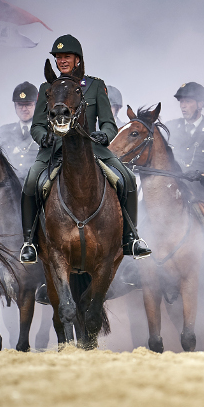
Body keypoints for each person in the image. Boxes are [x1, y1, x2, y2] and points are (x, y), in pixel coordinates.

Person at [18, 34, 151, 263]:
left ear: (77, 59)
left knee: (127, 178)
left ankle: (131, 238)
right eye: (58, 57)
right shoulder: (47, 87)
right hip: (54, 150)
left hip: (91, 148)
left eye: (66, 56)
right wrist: (43, 138)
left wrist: (105, 135)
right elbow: (38, 125)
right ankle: (29, 242)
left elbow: (108, 122)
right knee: (31, 182)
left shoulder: (95, 85)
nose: (62, 61)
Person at [164, 82, 204, 203]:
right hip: (171, 191)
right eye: (181, 102)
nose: (183, 106)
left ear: (200, 104)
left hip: (202, 194)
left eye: (188, 102)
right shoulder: (170, 127)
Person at [0, 82, 39, 183]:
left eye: (28, 104)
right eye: (20, 105)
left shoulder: (45, 131)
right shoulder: (4, 131)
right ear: (15, 106)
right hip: (9, 185)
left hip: (36, 185)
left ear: (35, 105)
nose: (24, 109)